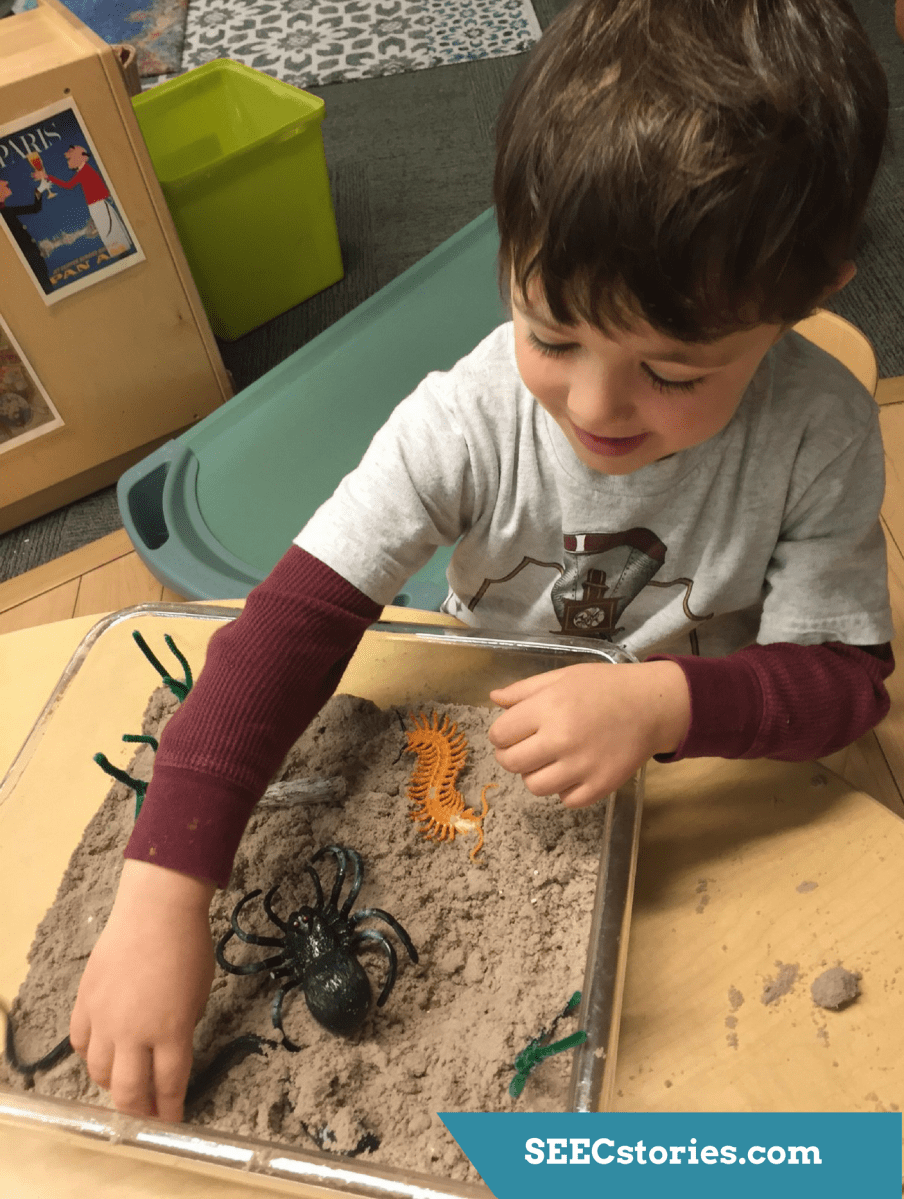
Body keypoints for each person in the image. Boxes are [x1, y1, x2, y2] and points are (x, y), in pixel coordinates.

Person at [70, 0, 894, 1123]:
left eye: (671, 372)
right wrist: (164, 884)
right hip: (491, 729)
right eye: (552, 334)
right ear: (509, 248)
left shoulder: (821, 435)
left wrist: (662, 702)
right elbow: (290, 625)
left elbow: (843, 683)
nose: (595, 407)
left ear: (805, 297)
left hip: (709, 752)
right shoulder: (465, 422)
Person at [36, 145, 132, 258]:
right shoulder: (84, 171)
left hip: (98, 205)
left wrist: (47, 177)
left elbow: (69, 185)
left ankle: (123, 254)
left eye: (70, 158)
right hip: (96, 206)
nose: (68, 162)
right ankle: (122, 253)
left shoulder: (85, 171)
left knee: (109, 231)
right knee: (108, 231)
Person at [0, 177, 52, 293]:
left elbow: (35, 208)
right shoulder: (4, 213)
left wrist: (39, 190)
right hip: (26, 260)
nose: (6, 182)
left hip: (32, 257)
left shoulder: (6, 211)